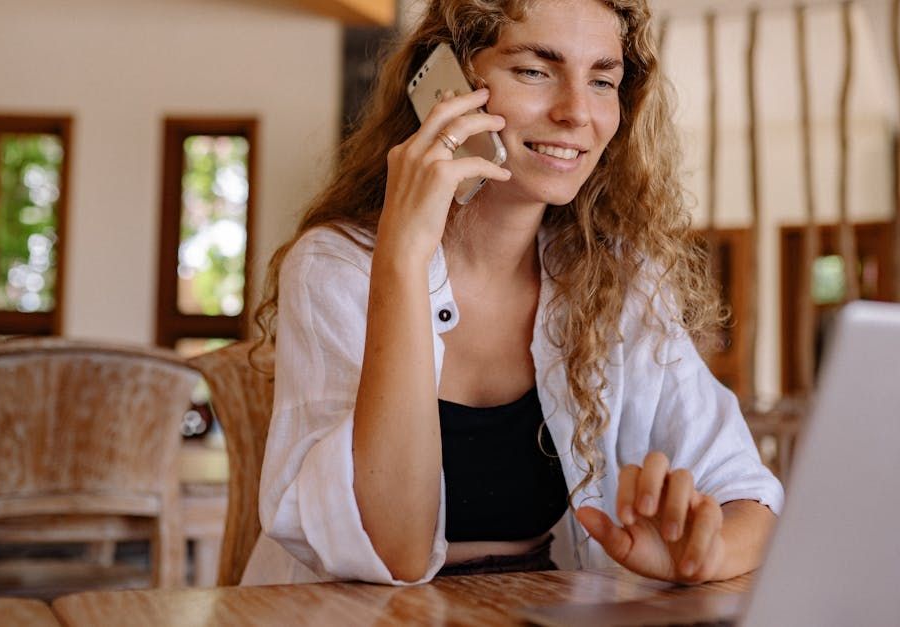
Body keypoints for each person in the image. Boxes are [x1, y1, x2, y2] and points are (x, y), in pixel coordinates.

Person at [241, 0, 783, 586]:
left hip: (537, 604)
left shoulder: (617, 276)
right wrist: (402, 257)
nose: (577, 112)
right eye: (534, 71)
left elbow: (749, 498)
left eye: (602, 80)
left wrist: (702, 553)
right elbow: (392, 551)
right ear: (444, 85)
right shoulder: (336, 264)